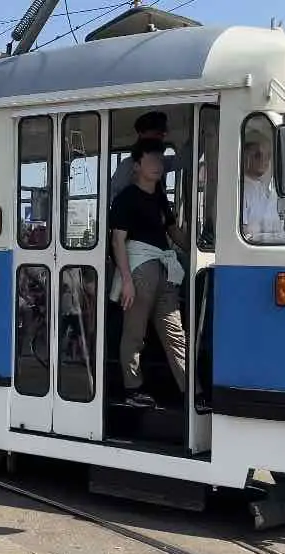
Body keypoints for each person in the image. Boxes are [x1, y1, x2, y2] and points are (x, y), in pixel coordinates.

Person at [109, 138, 188, 409]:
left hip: (165, 269)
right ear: (137, 166)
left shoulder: (160, 198)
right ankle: (133, 389)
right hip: (141, 270)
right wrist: (127, 281)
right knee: (135, 334)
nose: (158, 165)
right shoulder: (126, 199)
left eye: (160, 159)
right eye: (151, 160)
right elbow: (118, 240)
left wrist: (195, 248)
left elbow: (172, 230)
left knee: (175, 333)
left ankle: (190, 390)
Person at [110, 111, 181, 202]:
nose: (160, 137)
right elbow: (113, 196)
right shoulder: (128, 165)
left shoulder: (162, 162)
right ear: (142, 134)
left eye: (162, 134)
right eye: (157, 133)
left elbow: (183, 160)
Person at [241, 130, 285, 241]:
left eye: (268, 156)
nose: (264, 160)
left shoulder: (266, 190)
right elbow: (243, 234)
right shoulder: (240, 190)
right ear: (245, 156)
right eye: (258, 155)